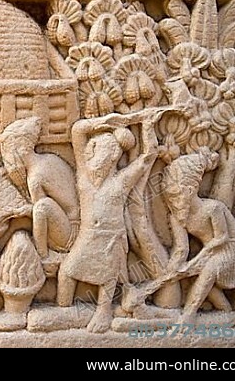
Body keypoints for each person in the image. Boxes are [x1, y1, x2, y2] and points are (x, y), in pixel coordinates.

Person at [57, 108, 168, 333]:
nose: (97, 160)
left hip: (112, 237)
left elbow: (148, 157)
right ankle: (63, 310)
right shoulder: (84, 177)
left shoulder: (121, 181)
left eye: (107, 155)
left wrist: (147, 126)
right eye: (95, 152)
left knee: (110, 273)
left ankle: (103, 310)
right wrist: (114, 121)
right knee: (66, 272)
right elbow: (78, 130)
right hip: (88, 236)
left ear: (113, 159)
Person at [162, 148, 235, 324]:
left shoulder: (212, 208)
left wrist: (199, 259)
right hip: (211, 252)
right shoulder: (178, 217)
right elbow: (181, 248)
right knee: (193, 272)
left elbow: (222, 237)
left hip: (229, 249)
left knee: (206, 270)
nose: (174, 198)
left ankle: (188, 316)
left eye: (178, 193)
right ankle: (225, 311)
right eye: (171, 194)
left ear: (191, 189)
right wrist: (174, 270)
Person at [0, 117, 80, 259]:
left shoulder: (35, 177)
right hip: (75, 222)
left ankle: (42, 255)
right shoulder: (49, 158)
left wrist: (19, 210)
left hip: (71, 234)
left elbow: (39, 213)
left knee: (42, 207)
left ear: (20, 150)